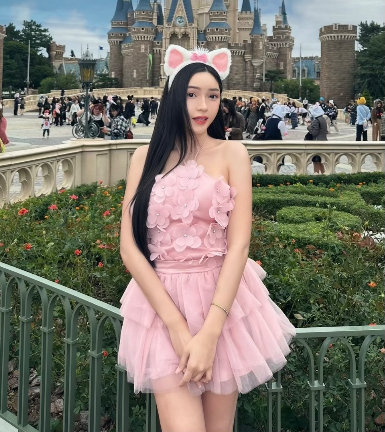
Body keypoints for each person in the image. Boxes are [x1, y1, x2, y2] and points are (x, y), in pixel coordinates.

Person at [117, 44, 296, 432]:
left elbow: (239, 245)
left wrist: (211, 330)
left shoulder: (233, 154)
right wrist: (177, 327)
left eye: (212, 96)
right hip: (161, 306)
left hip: (221, 303)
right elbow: (129, 247)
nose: (203, 106)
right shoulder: (144, 157)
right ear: (172, 97)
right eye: (192, 94)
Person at [306, 104, 327, 174]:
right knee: (320, 161)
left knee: (316, 161)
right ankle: (323, 174)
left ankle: (316, 174)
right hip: (323, 141)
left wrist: (309, 127)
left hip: (317, 142)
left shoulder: (317, 120)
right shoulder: (322, 119)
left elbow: (314, 133)